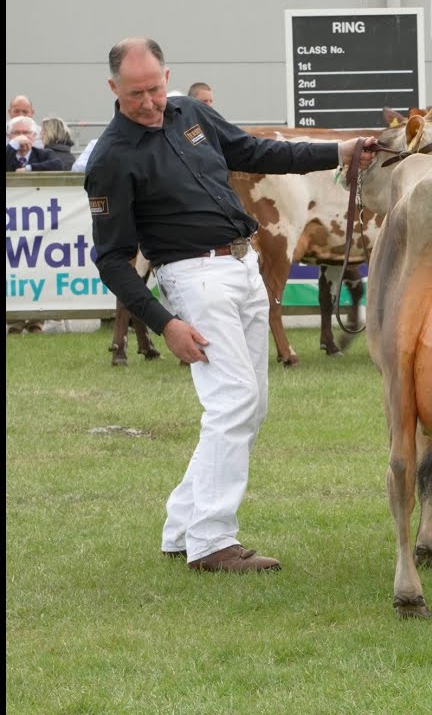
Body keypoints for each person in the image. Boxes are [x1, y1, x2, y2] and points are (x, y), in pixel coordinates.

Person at [84, 37, 378, 572]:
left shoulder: (191, 113)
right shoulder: (110, 158)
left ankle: (183, 526)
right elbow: (111, 259)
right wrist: (166, 323)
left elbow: (255, 152)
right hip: (192, 278)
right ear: (112, 88)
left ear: (167, 76)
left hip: (244, 265)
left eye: (154, 89)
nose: (148, 102)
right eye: (134, 94)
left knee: (249, 403)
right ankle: (212, 541)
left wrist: (337, 151)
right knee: (234, 401)